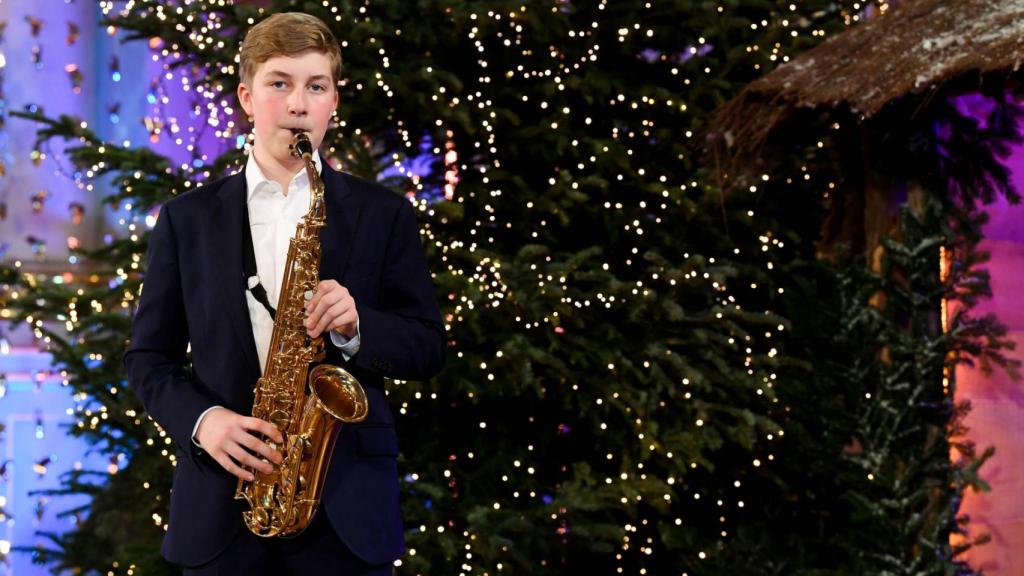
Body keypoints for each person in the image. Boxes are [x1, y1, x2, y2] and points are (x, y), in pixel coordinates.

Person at [124, 12, 445, 575]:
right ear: (247, 97)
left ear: (333, 102)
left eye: (315, 86)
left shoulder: (383, 215)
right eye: (280, 83)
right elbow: (149, 359)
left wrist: (358, 327)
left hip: (348, 514)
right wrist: (206, 422)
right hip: (223, 512)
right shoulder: (186, 220)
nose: (298, 104)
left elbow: (426, 347)